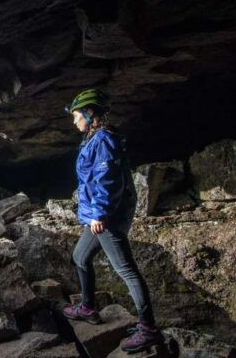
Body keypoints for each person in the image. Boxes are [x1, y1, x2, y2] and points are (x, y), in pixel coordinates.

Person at [60, 89, 161, 352]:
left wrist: (99, 214)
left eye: (75, 116)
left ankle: (149, 328)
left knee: (126, 270)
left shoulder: (103, 139)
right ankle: (87, 307)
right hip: (98, 216)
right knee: (80, 257)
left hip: (106, 218)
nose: (74, 121)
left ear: (89, 112)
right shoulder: (94, 138)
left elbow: (108, 181)